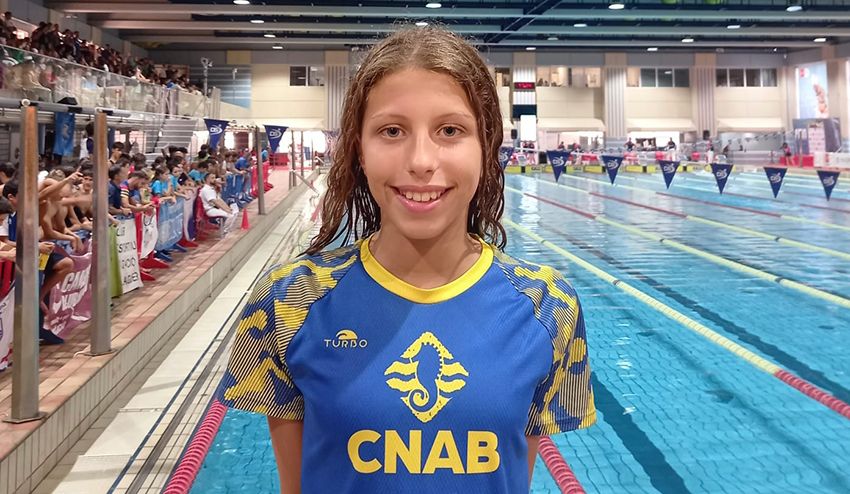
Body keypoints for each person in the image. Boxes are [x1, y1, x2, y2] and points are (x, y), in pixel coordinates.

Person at [216, 26, 595, 494]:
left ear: (486, 145)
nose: (420, 160)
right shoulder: (289, 299)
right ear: (359, 149)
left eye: (450, 131)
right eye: (392, 131)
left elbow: (512, 479)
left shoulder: (547, 305)